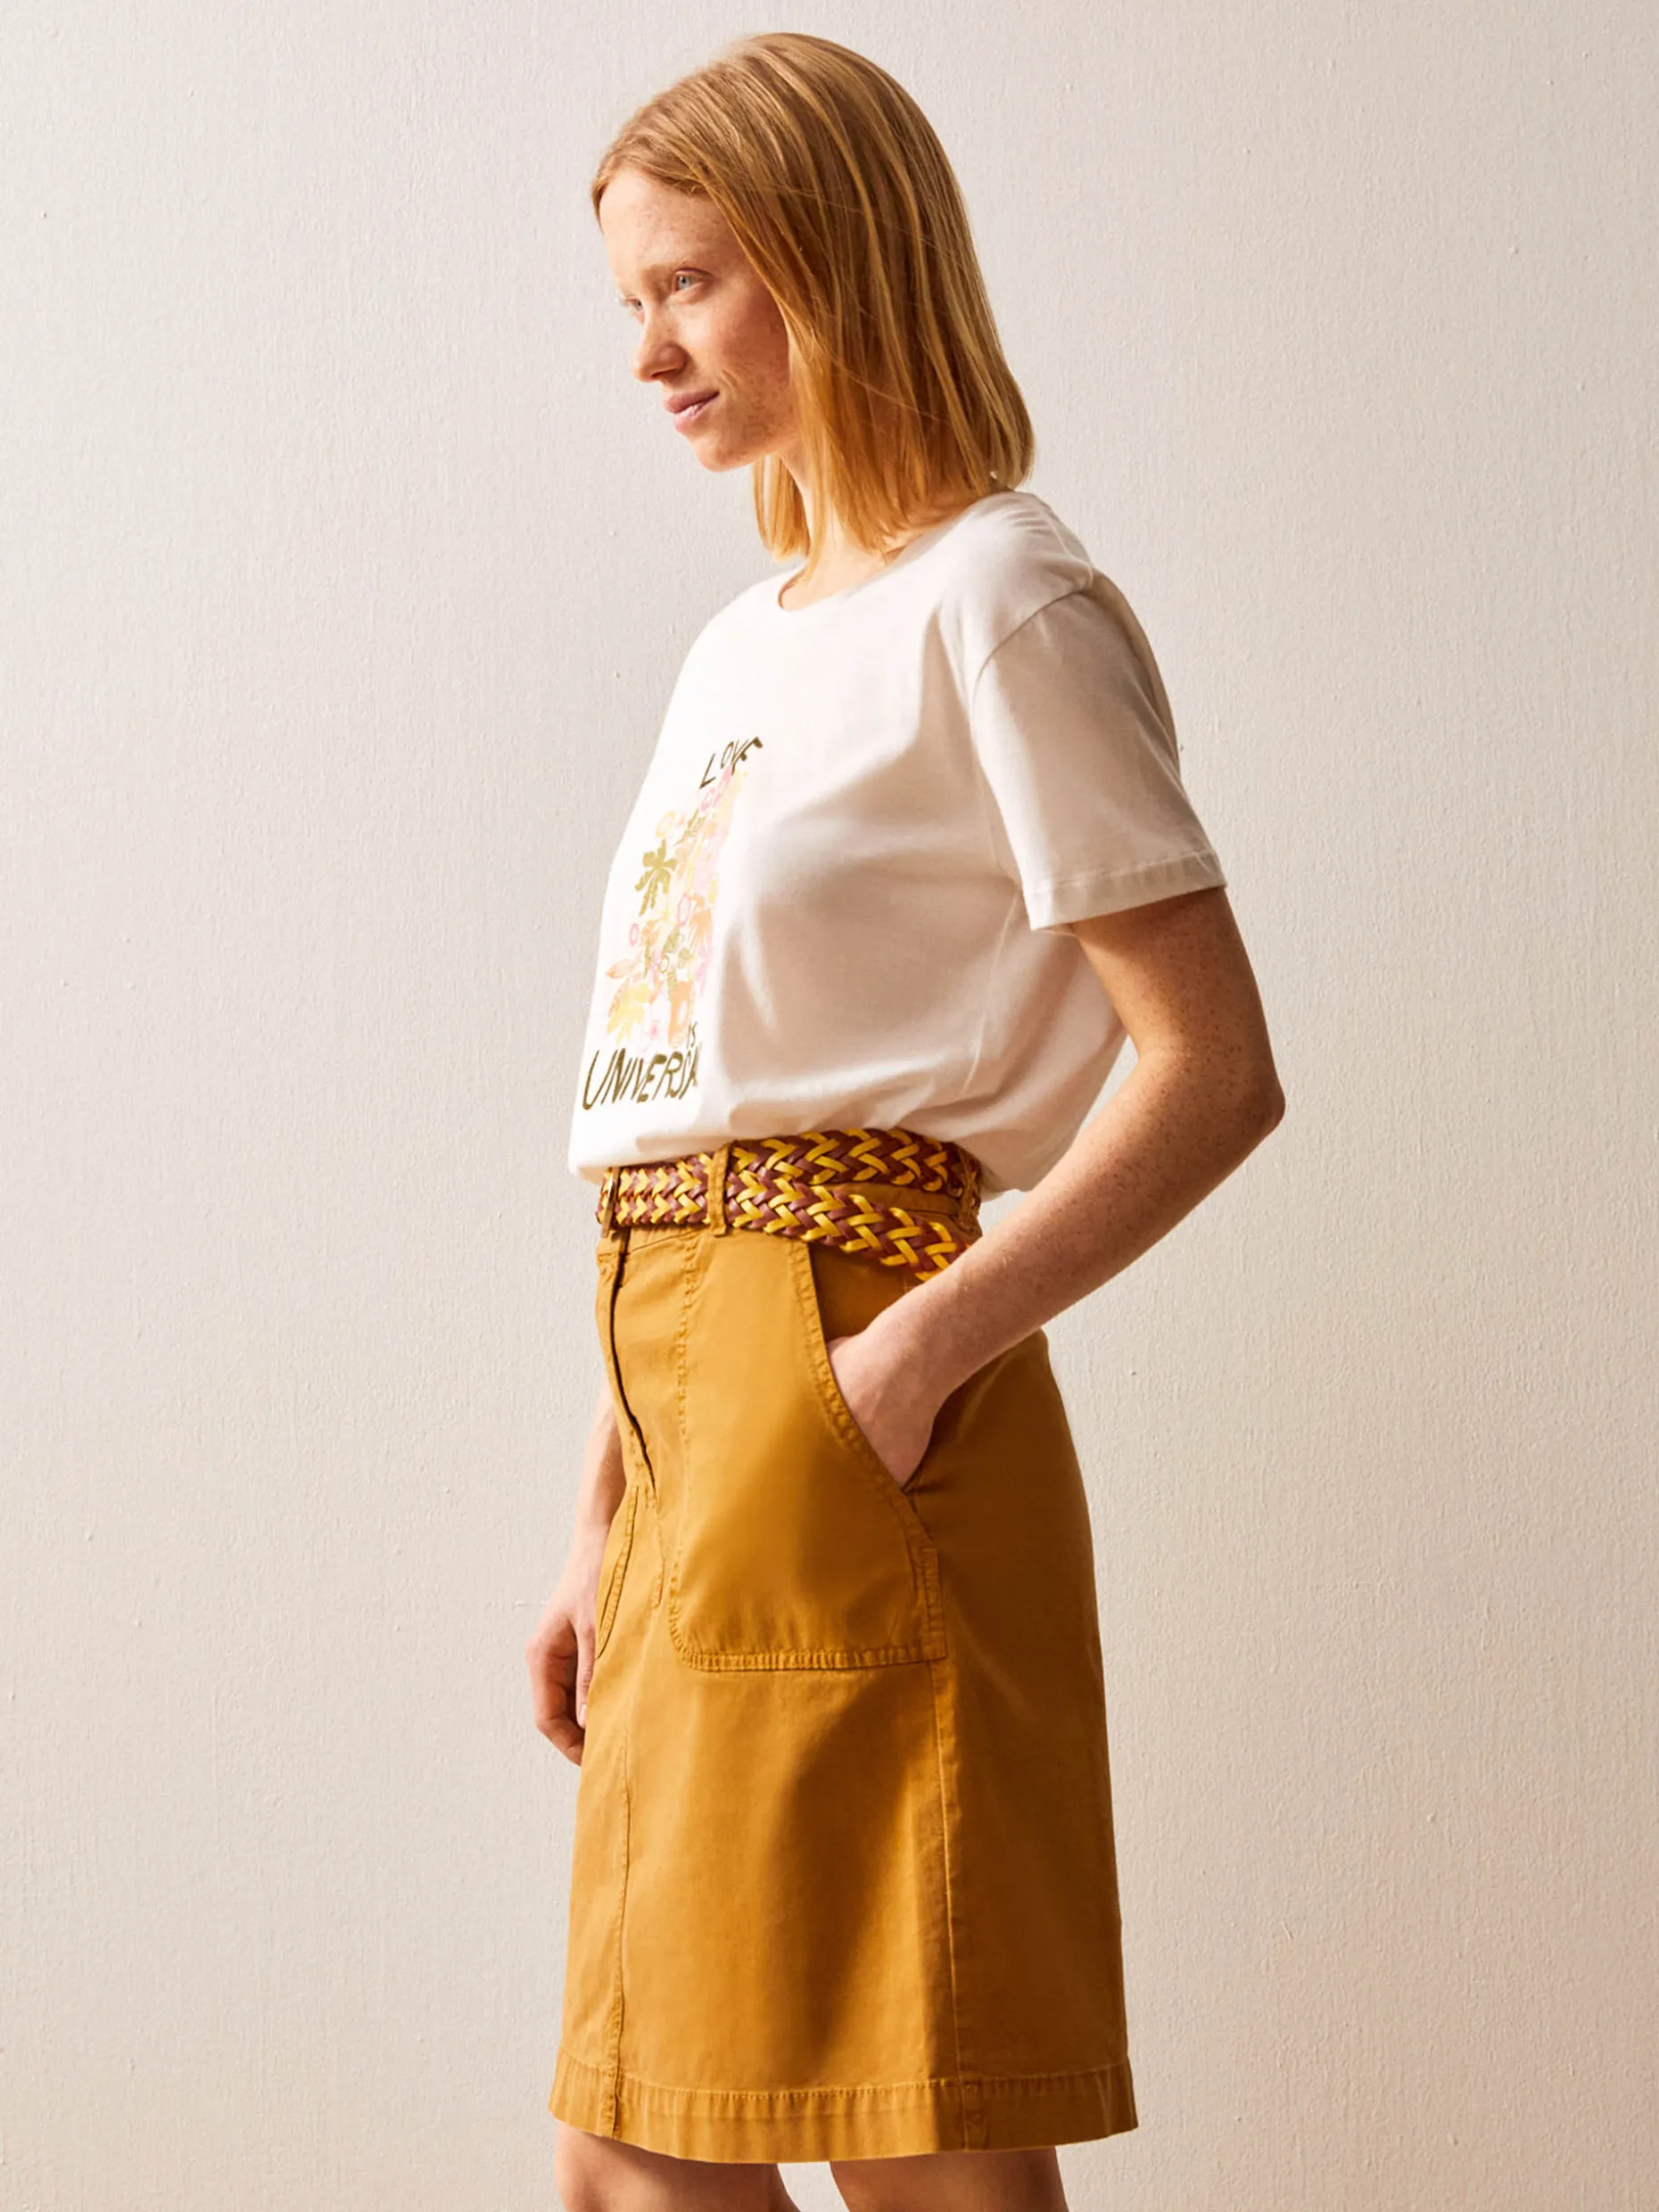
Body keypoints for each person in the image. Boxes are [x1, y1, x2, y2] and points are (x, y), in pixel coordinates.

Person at [524, 30, 1284, 2212]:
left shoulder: (1000, 602)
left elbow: (1211, 1064)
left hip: (857, 1373)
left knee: (909, 2122)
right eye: (632, 300)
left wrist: (905, 1358)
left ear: (838, 257)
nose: (650, 352)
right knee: (647, 2145)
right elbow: (683, 1112)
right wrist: (604, 1504)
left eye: (691, 284)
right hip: (683, 1384)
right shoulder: (740, 648)